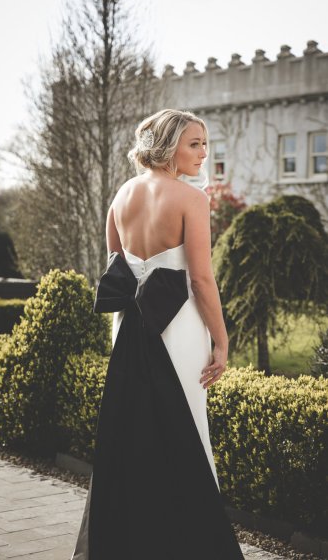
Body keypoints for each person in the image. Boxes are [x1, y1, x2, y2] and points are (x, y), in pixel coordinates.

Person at [71, 109, 244, 559]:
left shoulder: (122, 194)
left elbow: (116, 265)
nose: (203, 153)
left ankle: (132, 538)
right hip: (179, 325)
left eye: (205, 143)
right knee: (187, 426)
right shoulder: (191, 200)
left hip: (127, 324)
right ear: (167, 145)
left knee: (132, 429)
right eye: (194, 144)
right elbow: (202, 280)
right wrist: (222, 342)